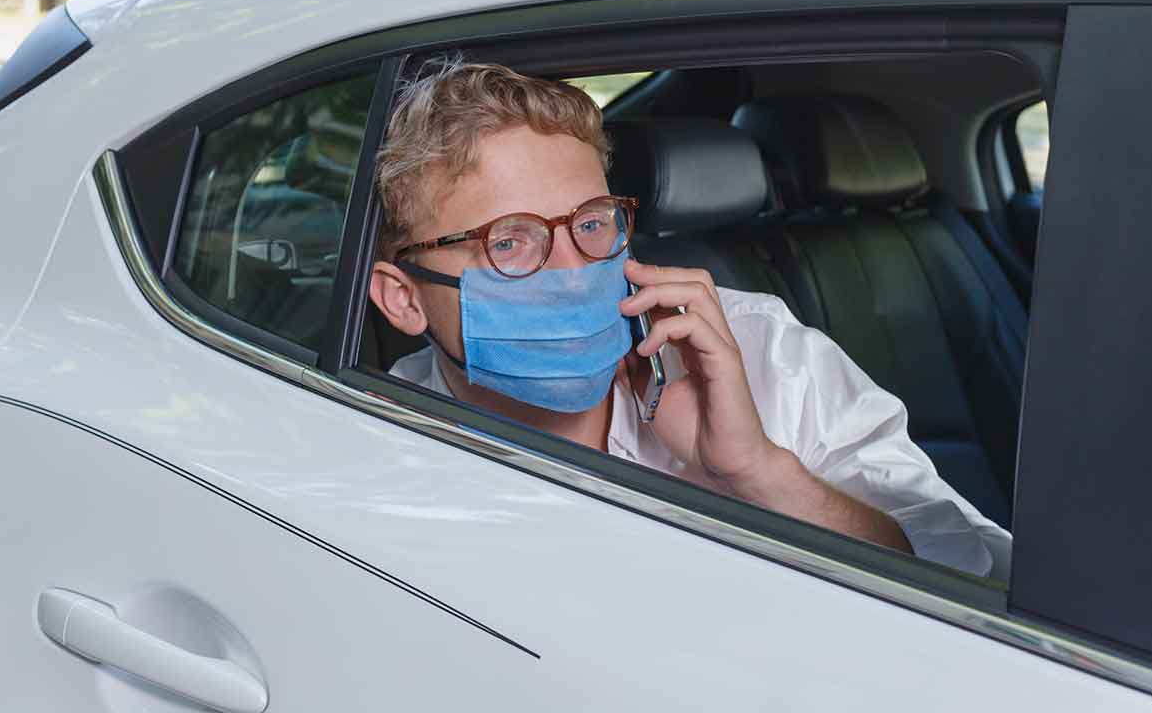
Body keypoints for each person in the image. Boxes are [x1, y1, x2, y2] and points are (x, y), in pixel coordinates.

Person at [368, 60, 1011, 579]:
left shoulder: (755, 350)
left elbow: (968, 576)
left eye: (591, 223)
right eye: (509, 243)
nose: (573, 268)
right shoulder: (371, 444)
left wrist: (758, 472)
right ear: (404, 298)